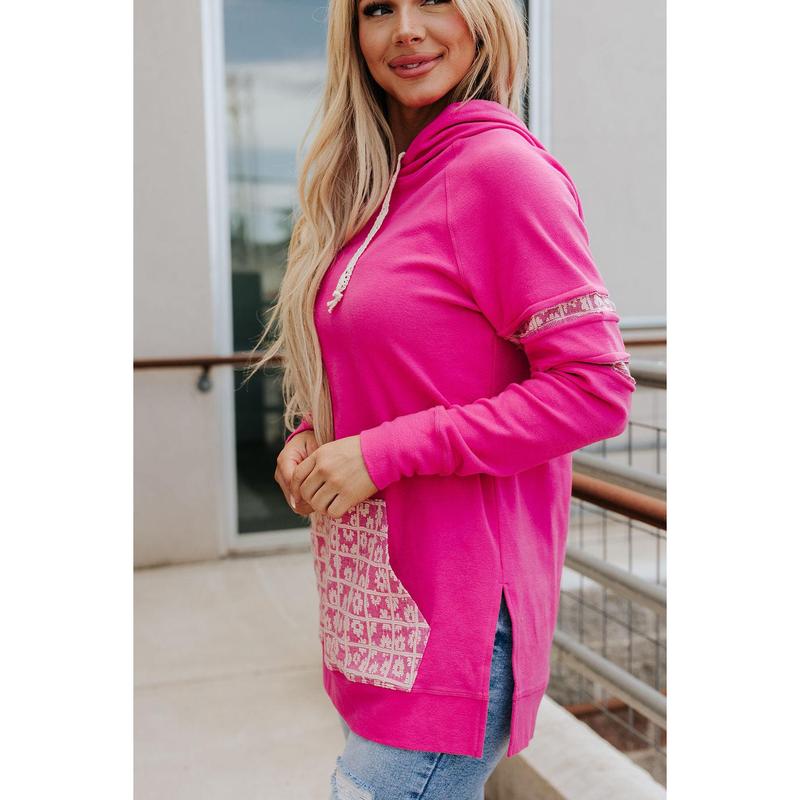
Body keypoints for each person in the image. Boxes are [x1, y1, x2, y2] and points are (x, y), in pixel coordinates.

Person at [247, 1, 636, 797]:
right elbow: (390, 362)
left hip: (457, 628)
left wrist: (382, 454)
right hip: (376, 609)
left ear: (483, 18)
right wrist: (312, 434)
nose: (406, 29)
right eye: (378, 9)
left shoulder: (502, 172)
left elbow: (594, 388)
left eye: (432, 0)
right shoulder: (376, 187)